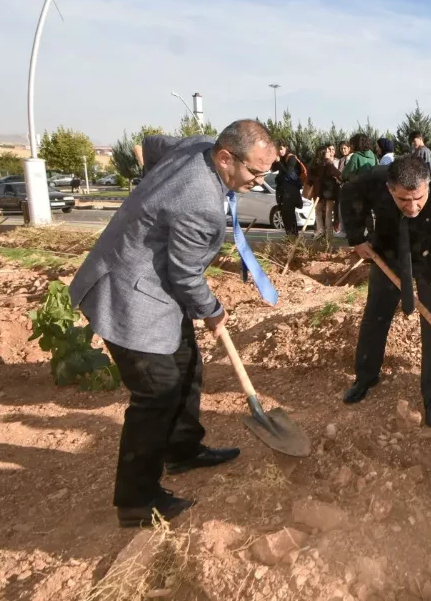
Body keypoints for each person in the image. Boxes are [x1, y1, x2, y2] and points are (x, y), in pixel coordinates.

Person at [70, 121, 277, 527]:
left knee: (187, 364)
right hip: (131, 294)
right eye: (255, 172)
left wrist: (153, 204)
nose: (261, 180)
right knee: (156, 393)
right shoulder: (200, 202)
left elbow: (148, 144)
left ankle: (182, 449)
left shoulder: (196, 145)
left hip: (154, 284)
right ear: (225, 157)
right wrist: (214, 311)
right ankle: (136, 500)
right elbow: (185, 276)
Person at [339, 156, 431, 428]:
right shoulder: (375, 180)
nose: (412, 207)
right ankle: (366, 376)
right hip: (388, 255)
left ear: (427, 185)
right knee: (376, 316)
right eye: (403, 200)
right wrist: (357, 237)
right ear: (389, 188)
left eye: (418, 198)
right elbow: (347, 192)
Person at [308, 145, 342, 241]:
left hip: (317, 191)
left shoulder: (313, 164)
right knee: (328, 213)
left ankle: (320, 230)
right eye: (327, 151)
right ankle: (328, 236)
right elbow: (338, 174)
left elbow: (309, 179)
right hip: (329, 191)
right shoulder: (328, 163)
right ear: (323, 153)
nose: (329, 153)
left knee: (318, 212)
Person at [270, 143, 304, 236]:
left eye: (281, 149)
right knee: (284, 213)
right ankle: (289, 234)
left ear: (286, 148)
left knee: (290, 213)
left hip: (291, 190)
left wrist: (279, 162)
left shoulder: (291, 158)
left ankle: (293, 234)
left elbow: (288, 172)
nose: (280, 151)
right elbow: (272, 169)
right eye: (278, 149)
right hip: (282, 190)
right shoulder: (280, 158)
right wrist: (274, 160)